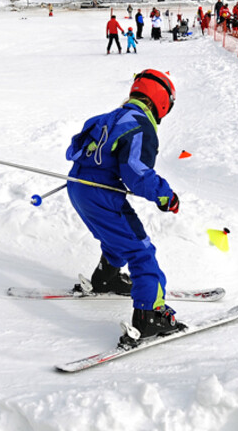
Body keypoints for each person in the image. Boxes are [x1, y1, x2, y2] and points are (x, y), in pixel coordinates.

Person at [65, 69, 184, 345]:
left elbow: (80, 146)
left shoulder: (111, 117)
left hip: (77, 186)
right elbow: (136, 172)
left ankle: (106, 278)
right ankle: (149, 314)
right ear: (162, 102)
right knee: (141, 250)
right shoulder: (139, 123)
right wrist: (165, 196)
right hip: (101, 194)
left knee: (117, 236)